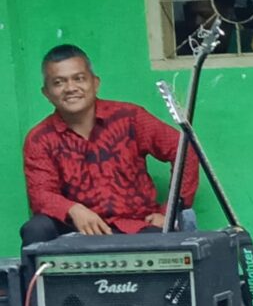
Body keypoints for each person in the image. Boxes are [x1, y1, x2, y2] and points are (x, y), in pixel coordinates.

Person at [21, 45, 199, 246]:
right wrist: (73, 209)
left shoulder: (130, 118)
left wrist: (169, 212)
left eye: (79, 78)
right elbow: (40, 193)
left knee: (163, 243)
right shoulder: (40, 138)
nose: (70, 88)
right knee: (36, 229)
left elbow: (185, 150)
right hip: (77, 229)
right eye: (58, 82)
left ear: (95, 83)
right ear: (46, 93)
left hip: (135, 225)